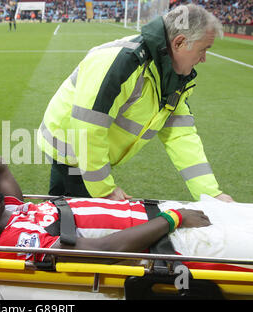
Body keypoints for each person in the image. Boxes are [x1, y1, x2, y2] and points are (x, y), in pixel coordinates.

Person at [36, 4, 234, 203]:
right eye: (203, 49)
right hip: (71, 149)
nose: (204, 58)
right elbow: (87, 130)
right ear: (180, 42)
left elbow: (181, 135)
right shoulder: (122, 62)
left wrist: (211, 193)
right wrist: (104, 190)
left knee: (63, 211)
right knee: (81, 219)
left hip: (80, 148)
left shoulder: (173, 78)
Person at [0, 154, 253, 270]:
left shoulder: (13, 210)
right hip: (175, 240)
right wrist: (174, 219)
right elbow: (105, 251)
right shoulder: (18, 240)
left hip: (165, 216)